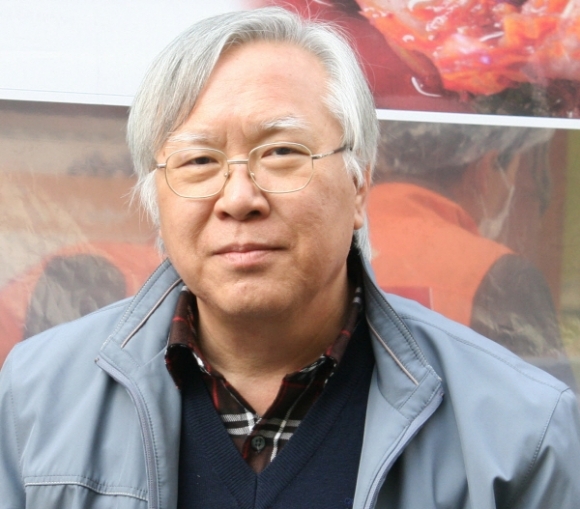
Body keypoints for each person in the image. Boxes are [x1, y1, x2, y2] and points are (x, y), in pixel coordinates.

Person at [1, 7, 579, 509]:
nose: (239, 198)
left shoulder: (521, 432)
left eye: (281, 152)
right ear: (156, 197)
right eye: (199, 162)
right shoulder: (36, 399)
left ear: (358, 184)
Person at [367, 122, 577, 388]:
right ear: (485, 168)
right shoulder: (502, 277)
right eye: (512, 176)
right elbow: (552, 409)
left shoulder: (335, 247)